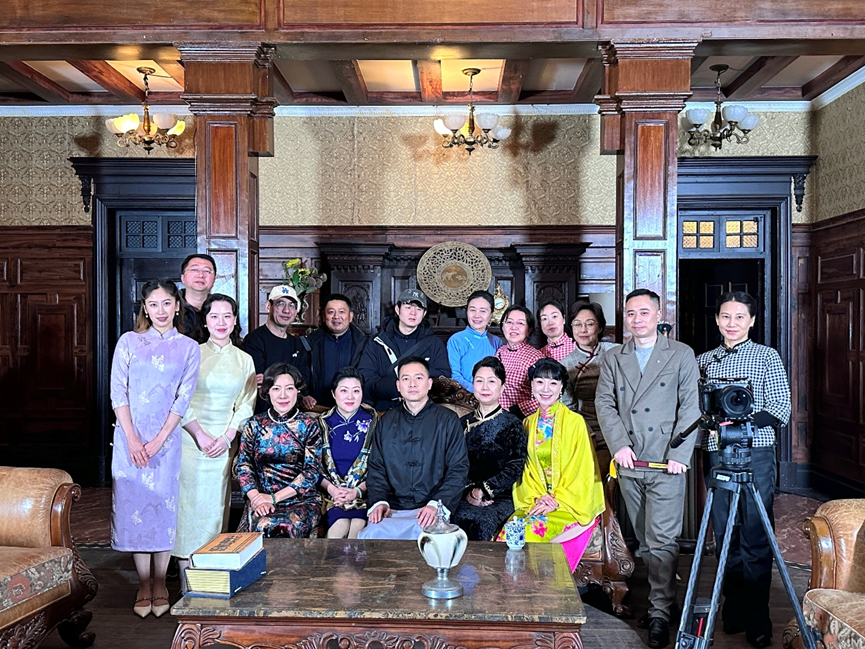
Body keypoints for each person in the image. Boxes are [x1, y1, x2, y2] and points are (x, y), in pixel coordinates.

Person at [596, 288, 701, 649]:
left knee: (661, 540)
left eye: (644, 312)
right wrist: (619, 445)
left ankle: (658, 613)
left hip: (665, 461)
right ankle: (666, 602)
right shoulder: (614, 357)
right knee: (644, 538)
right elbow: (605, 403)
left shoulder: (681, 354)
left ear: (658, 315)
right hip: (630, 460)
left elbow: (690, 407)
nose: (637, 319)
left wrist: (680, 454)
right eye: (631, 313)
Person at [697, 291, 791, 649]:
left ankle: (758, 617)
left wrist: (743, 421)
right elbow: (696, 410)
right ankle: (733, 609)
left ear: (751, 321)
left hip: (757, 452)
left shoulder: (767, 356)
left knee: (755, 533)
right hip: (717, 453)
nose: (731, 323)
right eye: (725, 316)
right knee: (725, 533)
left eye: (739, 317)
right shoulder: (704, 361)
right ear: (717, 320)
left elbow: (781, 408)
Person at [109, 279, 200, 618]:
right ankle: (143, 582)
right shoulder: (129, 342)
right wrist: (132, 438)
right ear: (144, 308)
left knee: (163, 506)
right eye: (153, 304)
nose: (160, 310)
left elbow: (183, 398)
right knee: (135, 507)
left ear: (177, 306)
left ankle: (161, 581)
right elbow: (118, 392)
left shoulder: (189, 347)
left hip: (167, 441)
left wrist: (160, 439)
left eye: (166, 303)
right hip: (129, 439)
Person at [173, 294, 256, 574]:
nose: (221, 322)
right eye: (214, 316)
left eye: (227, 316)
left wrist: (227, 437)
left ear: (235, 321)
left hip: (223, 443)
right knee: (188, 510)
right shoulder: (191, 353)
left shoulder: (244, 360)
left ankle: (210, 577)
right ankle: (185, 580)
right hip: (190, 441)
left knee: (215, 508)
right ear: (205, 321)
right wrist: (200, 435)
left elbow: (246, 403)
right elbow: (179, 398)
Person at [497, 358, 605, 571]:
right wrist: (538, 497)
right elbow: (526, 470)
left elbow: (581, 469)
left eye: (553, 383)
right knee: (510, 532)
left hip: (569, 503)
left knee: (530, 531)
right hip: (537, 501)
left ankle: (536, 588)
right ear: (531, 386)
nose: (546, 389)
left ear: (561, 388)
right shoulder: (527, 423)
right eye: (540, 382)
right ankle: (515, 590)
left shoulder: (575, 423)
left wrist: (556, 500)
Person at [358, 357, 469, 540]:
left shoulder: (448, 420)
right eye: (405, 378)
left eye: (418, 378)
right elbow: (377, 468)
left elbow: (458, 469)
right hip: (392, 508)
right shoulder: (386, 421)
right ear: (398, 385)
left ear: (429, 383)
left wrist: (436, 504)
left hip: (432, 507)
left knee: (432, 538)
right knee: (370, 536)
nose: (412, 384)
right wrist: (379, 501)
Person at [234, 362, 323, 537]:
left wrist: (274, 498)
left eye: (289, 388)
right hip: (260, 498)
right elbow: (244, 466)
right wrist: (256, 498)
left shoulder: (308, 425)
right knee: (263, 523)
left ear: (298, 391)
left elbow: (311, 472)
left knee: (282, 525)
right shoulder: (254, 424)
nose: (283, 395)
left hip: (301, 500)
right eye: (276, 389)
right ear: (267, 391)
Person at [452, 356, 527, 541]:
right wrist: (469, 491)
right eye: (479, 381)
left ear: (502, 387)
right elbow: (453, 462)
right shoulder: (462, 423)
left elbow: (515, 466)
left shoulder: (512, 424)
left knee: (478, 522)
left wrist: (483, 491)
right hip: (463, 493)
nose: (485, 387)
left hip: (499, 496)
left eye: (491, 381)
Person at [358, 288, 451, 411]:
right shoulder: (376, 342)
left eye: (419, 309)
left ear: (424, 313)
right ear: (398, 309)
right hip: (384, 410)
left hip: (423, 411)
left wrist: (412, 390)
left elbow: (443, 378)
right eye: (408, 307)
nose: (413, 313)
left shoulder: (434, 343)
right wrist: (399, 388)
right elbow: (367, 379)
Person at [318, 367, 379, 539]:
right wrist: (332, 489)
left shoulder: (374, 423)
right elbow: (311, 467)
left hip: (364, 493)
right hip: (331, 494)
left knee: (358, 525)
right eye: (344, 391)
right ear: (333, 393)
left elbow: (381, 466)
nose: (350, 397)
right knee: (341, 524)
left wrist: (357, 492)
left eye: (356, 391)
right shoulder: (322, 424)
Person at [560, 301, 620, 470]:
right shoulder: (566, 364)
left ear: (599, 327)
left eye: (590, 324)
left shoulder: (617, 352)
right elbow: (569, 408)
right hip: (587, 429)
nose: (583, 330)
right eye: (577, 324)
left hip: (619, 428)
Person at [243, 285, 312, 413]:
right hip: (261, 414)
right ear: (268, 306)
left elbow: (303, 380)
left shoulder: (297, 344)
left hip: (292, 413)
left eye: (291, 305)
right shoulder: (254, 340)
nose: (286, 310)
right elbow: (259, 382)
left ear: (296, 311)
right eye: (280, 304)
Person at [302, 294, 368, 408]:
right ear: (324, 316)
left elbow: (369, 378)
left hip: (353, 408)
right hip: (318, 408)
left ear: (350, 316)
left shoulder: (365, 344)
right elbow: (302, 374)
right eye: (331, 312)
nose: (336, 316)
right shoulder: (309, 343)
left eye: (341, 312)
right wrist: (305, 395)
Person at [447, 290, 503, 391]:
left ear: (491, 315)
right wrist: (475, 390)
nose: (477, 315)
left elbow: (500, 374)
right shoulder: (456, 340)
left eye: (483, 311)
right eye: (472, 310)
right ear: (467, 312)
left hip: (491, 394)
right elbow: (455, 375)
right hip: (464, 395)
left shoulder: (496, 341)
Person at [495, 305, 544, 418]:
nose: (514, 327)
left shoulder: (536, 358)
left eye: (520, 323)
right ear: (502, 326)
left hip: (521, 419)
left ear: (529, 330)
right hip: (495, 417)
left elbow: (544, 397)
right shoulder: (499, 352)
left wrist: (513, 411)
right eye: (509, 322)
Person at [179, 253, 217, 336]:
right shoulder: (169, 307)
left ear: (214, 279)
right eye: (194, 270)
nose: (201, 275)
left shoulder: (222, 307)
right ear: (183, 277)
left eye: (207, 271)